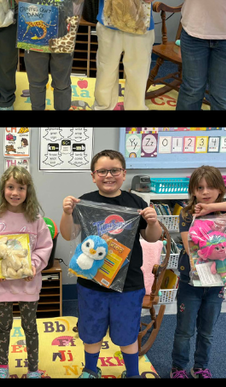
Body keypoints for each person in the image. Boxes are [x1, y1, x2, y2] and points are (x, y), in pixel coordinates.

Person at [60, 150, 162, 378]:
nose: (109, 175)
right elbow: (68, 235)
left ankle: (133, 373)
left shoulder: (136, 202)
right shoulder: (84, 201)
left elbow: (151, 237)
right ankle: (90, 370)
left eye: (114, 170)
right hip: (92, 281)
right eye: (102, 171)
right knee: (91, 330)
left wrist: (153, 221)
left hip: (129, 284)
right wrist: (66, 213)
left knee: (127, 333)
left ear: (124, 174)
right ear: (93, 175)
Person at [170, 165, 226, 378]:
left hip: (216, 282)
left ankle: (200, 367)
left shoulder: (224, 211)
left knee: (207, 332)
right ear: (193, 191)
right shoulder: (188, 213)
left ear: (220, 189)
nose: (205, 192)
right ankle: (178, 368)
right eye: (199, 188)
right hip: (192, 281)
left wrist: (212, 208)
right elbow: (190, 247)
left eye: (210, 187)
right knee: (185, 331)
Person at [0, 166, 53, 378]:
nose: (15, 192)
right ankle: (2, 366)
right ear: (3, 189)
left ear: (28, 191)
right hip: (2, 285)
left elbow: (44, 247)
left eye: (21, 187)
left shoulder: (36, 220)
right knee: (4, 326)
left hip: (28, 285)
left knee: (30, 327)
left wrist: (34, 266)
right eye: (10, 187)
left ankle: (33, 368)